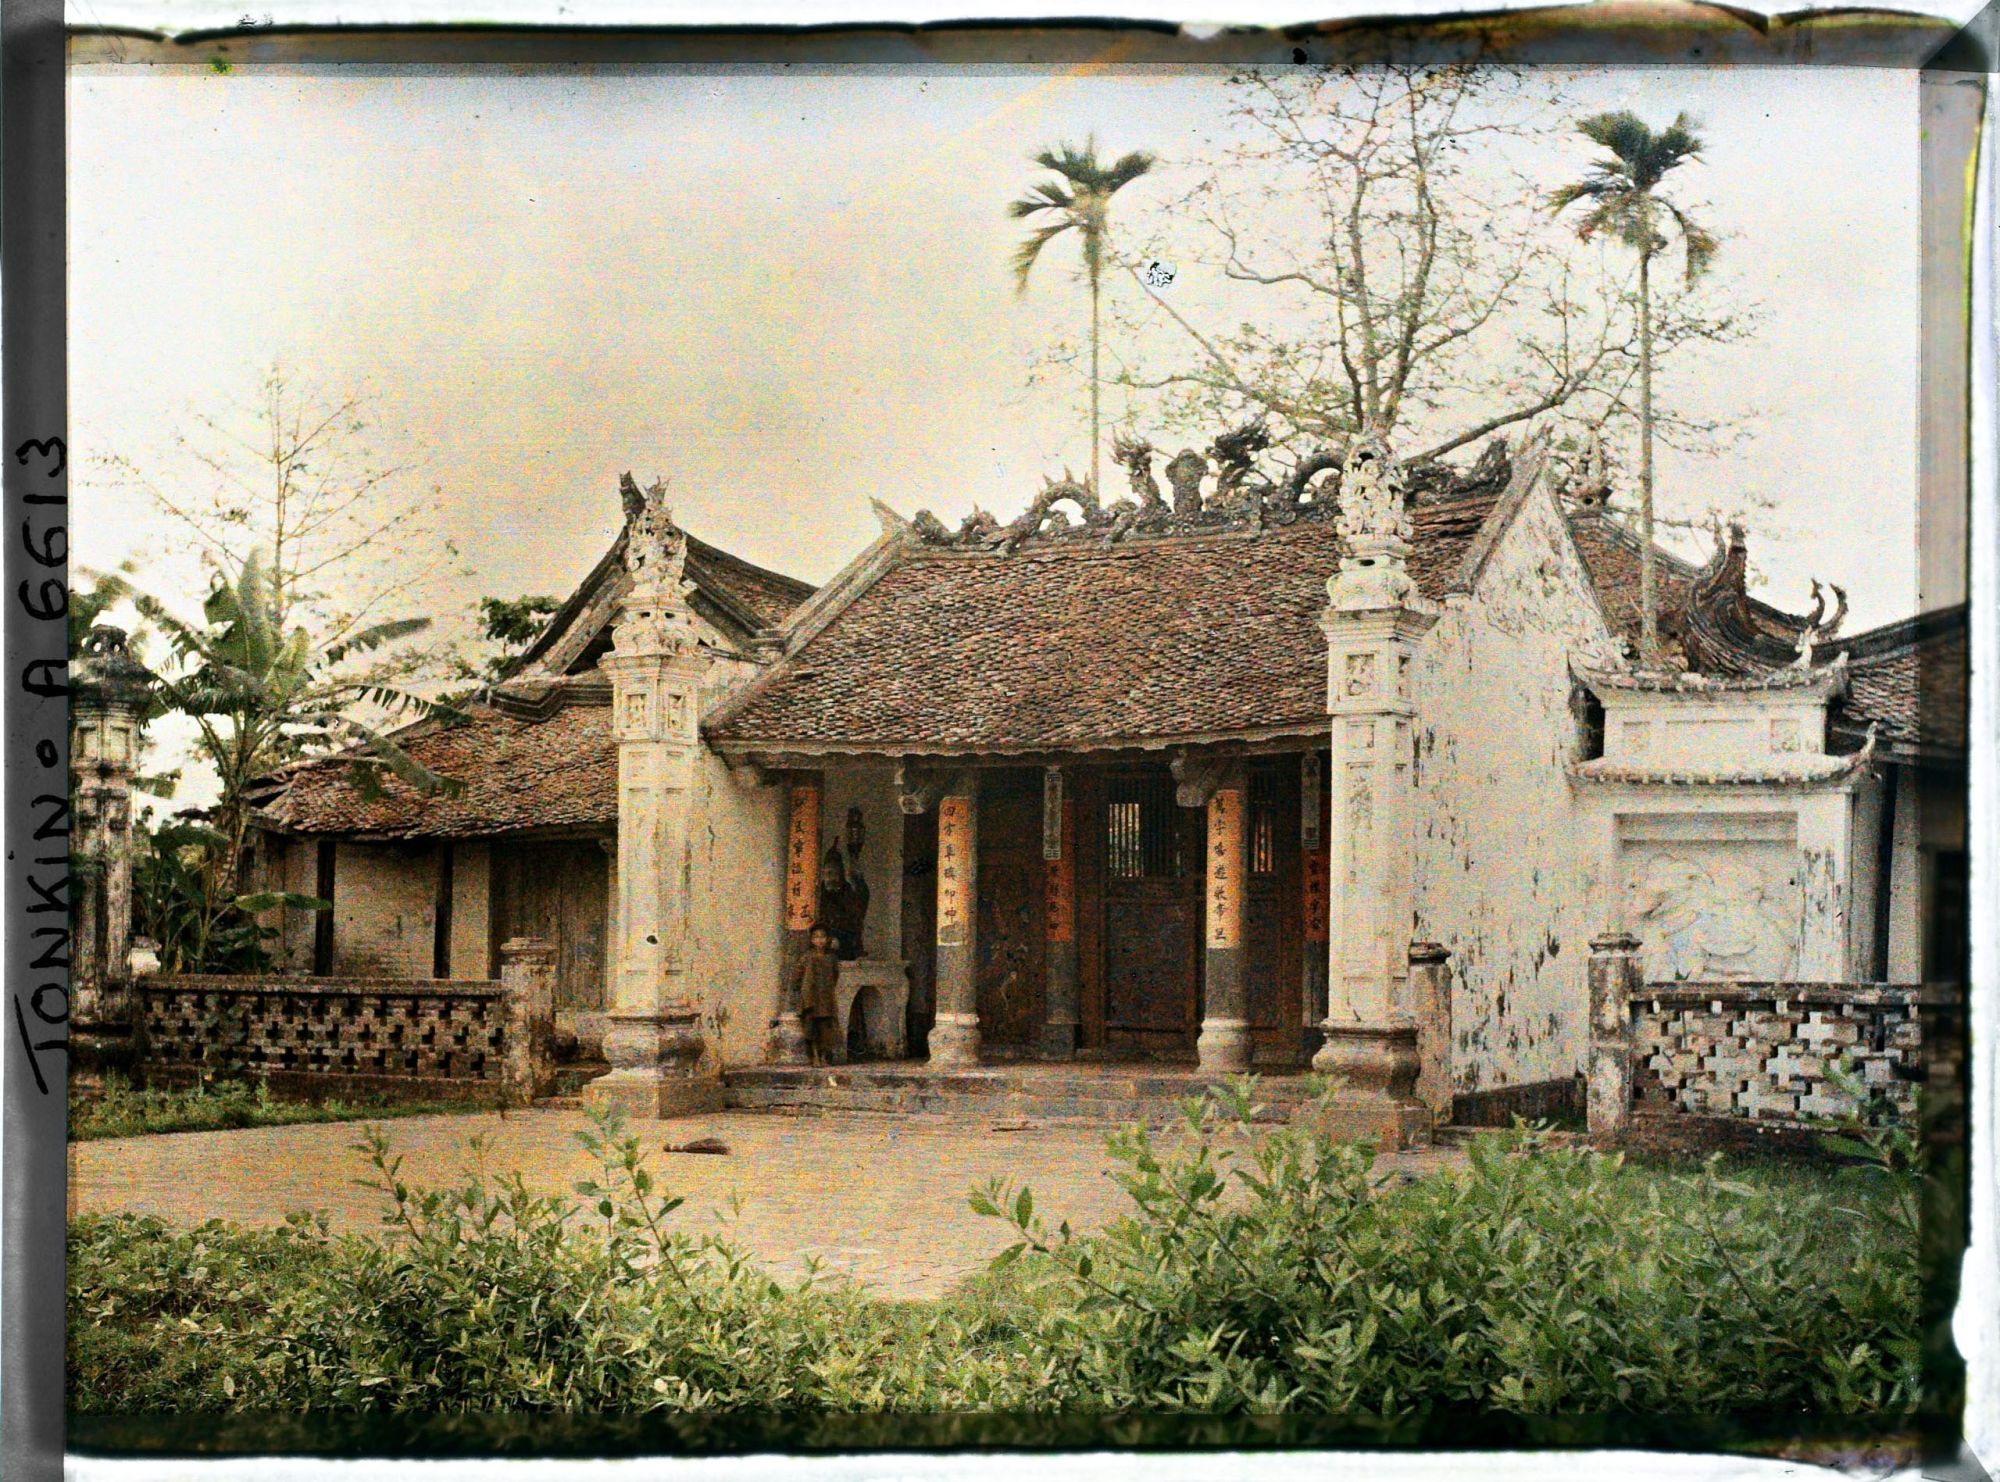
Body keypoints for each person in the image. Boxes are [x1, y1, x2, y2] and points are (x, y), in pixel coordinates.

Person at [796, 923, 844, 1066]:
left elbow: (835, 975)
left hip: (826, 998)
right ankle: (815, 1057)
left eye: (822, 937)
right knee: (811, 1029)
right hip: (810, 997)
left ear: (827, 939)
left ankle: (824, 1057)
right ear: (811, 940)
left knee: (826, 1030)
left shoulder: (831, 958)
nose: (819, 940)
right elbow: (798, 976)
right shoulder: (806, 957)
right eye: (816, 937)